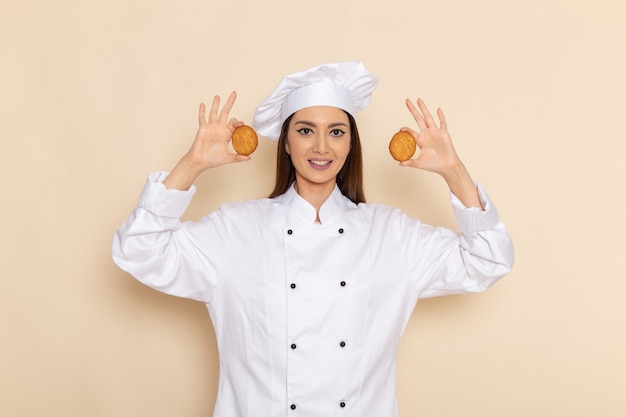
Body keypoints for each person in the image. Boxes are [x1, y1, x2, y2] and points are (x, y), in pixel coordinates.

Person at [112, 61, 514, 417]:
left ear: (350, 143)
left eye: (336, 132)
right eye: (306, 131)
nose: (321, 146)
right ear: (286, 143)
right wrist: (192, 163)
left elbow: (488, 259)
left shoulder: (392, 234)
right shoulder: (236, 229)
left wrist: (454, 172)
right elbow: (138, 249)